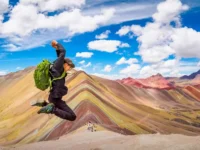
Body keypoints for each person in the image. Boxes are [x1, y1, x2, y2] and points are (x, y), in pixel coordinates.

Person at [32, 40, 76, 121]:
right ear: (65, 63)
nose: (70, 68)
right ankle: (51, 109)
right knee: (72, 116)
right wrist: (56, 44)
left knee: (63, 110)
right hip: (55, 98)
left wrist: (56, 48)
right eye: (70, 66)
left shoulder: (59, 70)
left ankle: (44, 104)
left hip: (54, 97)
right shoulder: (57, 67)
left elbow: (60, 55)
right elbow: (62, 52)